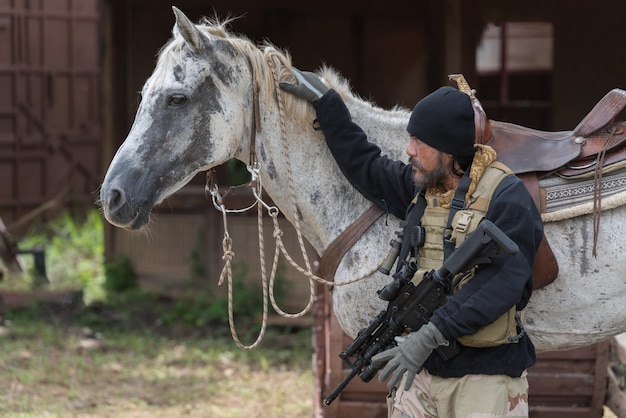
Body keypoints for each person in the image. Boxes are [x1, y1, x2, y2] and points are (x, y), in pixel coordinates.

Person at [280, 68, 543, 418]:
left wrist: (431, 335)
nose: (409, 149)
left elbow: (502, 284)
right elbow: (365, 165)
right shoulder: (421, 190)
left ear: (449, 151)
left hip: (483, 382)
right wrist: (328, 105)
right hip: (419, 376)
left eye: (420, 141)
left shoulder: (507, 197)